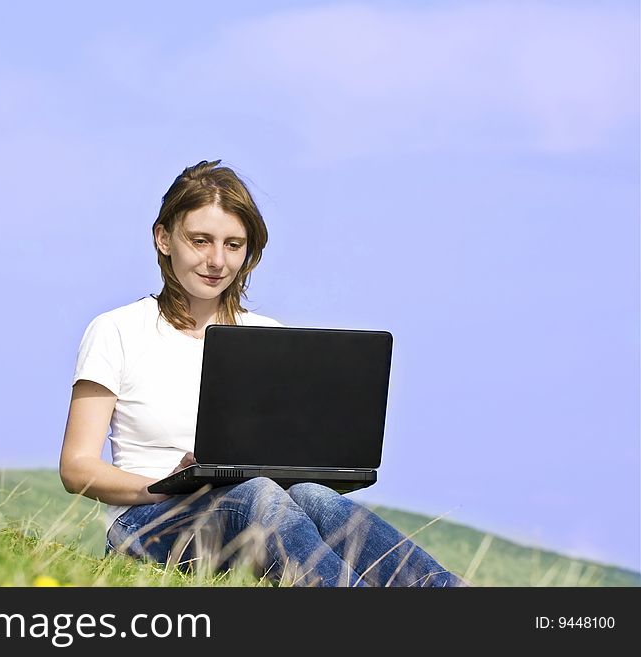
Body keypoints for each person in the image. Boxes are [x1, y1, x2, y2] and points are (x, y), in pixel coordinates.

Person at [59, 159, 467, 587]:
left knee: (313, 495)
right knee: (258, 494)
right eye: (200, 240)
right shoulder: (117, 329)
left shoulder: (269, 337)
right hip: (147, 521)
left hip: (258, 509)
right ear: (164, 239)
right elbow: (77, 467)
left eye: (234, 245)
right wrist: (172, 485)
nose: (217, 260)